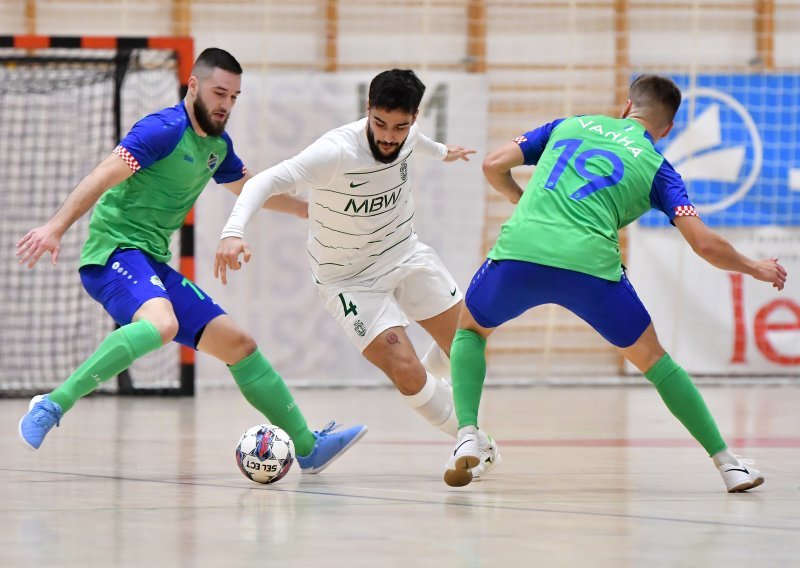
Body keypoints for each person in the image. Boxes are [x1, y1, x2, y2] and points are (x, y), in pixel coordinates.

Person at [16, 47, 367, 474]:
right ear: (195, 85)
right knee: (162, 325)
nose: (226, 105)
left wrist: (307, 208)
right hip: (113, 252)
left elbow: (250, 187)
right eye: (220, 93)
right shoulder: (163, 130)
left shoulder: (218, 146)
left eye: (235, 97)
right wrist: (55, 227)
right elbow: (101, 175)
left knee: (240, 346)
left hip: (153, 263)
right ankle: (53, 404)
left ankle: (308, 447)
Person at [441, 74, 787, 490]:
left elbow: (492, 164)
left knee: (471, 331)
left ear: (626, 106)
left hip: (520, 254)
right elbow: (704, 245)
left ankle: (466, 438)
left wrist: (523, 203)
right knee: (656, 362)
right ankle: (728, 464)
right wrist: (755, 267)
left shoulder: (568, 125)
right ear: (667, 129)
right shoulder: (659, 167)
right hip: (591, 268)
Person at [215, 68, 500, 478]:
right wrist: (232, 231)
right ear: (367, 110)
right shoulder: (334, 152)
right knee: (405, 372)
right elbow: (263, 182)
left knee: (468, 344)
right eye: (380, 123)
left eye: (400, 126)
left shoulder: (407, 137)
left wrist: (445, 153)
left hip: (404, 253)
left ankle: (437, 379)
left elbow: (421, 144)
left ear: (414, 118)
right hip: (347, 278)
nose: (388, 136)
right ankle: (474, 440)